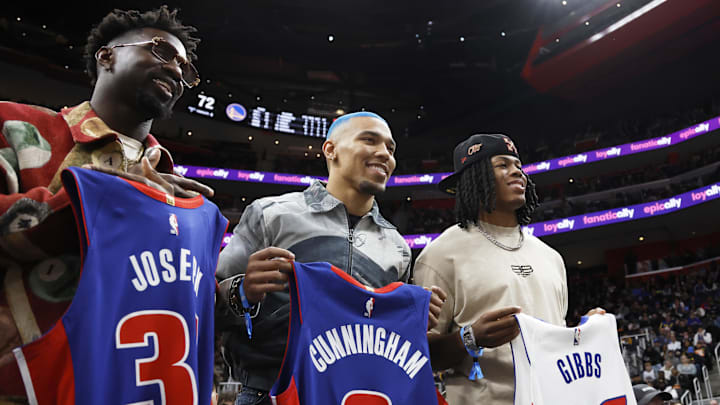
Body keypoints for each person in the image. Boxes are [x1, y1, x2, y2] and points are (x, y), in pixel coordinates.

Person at [0, 5, 213, 399]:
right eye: (162, 52)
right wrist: (97, 198)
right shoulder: (16, 126)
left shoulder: (180, 193)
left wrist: (239, 292)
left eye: (185, 68)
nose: (176, 71)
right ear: (107, 55)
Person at [215, 111, 445, 405]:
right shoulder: (271, 215)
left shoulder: (397, 246)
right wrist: (242, 291)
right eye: (369, 140)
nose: (384, 153)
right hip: (268, 393)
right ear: (331, 149)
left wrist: (410, 319)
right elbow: (207, 304)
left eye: (390, 148)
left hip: (352, 394)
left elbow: (381, 334)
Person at [413, 133, 603, 404]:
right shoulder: (441, 255)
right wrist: (470, 338)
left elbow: (553, 342)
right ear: (474, 179)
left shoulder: (550, 256)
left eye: (518, 166)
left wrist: (585, 331)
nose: (518, 173)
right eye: (503, 165)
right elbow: (421, 352)